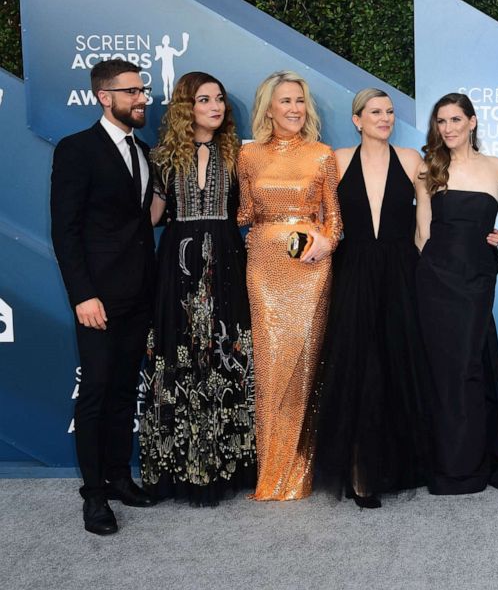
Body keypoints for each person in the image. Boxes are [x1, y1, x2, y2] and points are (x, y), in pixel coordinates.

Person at [415, 92, 498, 495]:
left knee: (470, 365)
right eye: (442, 122)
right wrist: (427, 274)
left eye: (456, 120)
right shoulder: (429, 168)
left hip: (476, 279)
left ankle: (473, 461)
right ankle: (447, 464)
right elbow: (423, 232)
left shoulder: (496, 168)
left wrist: (497, 236)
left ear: (472, 122)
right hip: (435, 278)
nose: (449, 128)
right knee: (442, 368)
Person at [138, 71, 256, 506]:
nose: (216, 106)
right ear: (187, 107)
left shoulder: (239, 155)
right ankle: (181, 466)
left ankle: (231, 462)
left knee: (227, 350)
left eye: (220, 99)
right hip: (178, 261)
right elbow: (152, 216)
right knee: (180, 352)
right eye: (204, 99)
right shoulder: (162, 157)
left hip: (226, 257)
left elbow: (250, 211)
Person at [50, 59, 157, 535]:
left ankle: (117, 477)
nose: (142, 99)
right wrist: (83, 295)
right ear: (103, 96)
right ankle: (94, 497)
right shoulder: (77, 150)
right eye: (132, 92)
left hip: (139, 293)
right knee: (94, 392)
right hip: (98, 298)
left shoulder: (145, 150)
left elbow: (142, 222)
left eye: (143, 90)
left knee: (121, 391)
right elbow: (65, 231)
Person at [313, 89, 432, 508]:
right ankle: (362, 470)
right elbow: (322, 219)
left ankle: (397, 465)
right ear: (357, 119)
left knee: (397, 365)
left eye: (390, 111)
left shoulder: (412, 160)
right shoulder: (337, 160)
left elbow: (425, 227)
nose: (385, 118)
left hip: (401, 272)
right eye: (375, 112)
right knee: (361, 369)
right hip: (354, 271)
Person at [237, 71, 342, 501]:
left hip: (310, 270)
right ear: (268, 108)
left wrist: (326, 241)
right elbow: (243, 213)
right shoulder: (248, 157)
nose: (295, 109)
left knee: (303, 367)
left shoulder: (322, 155)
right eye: (285, 101)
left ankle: (298, 473)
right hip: (264, 268)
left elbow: (335, 219)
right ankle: (270, 472)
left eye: (300, 101)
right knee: (269, 364)